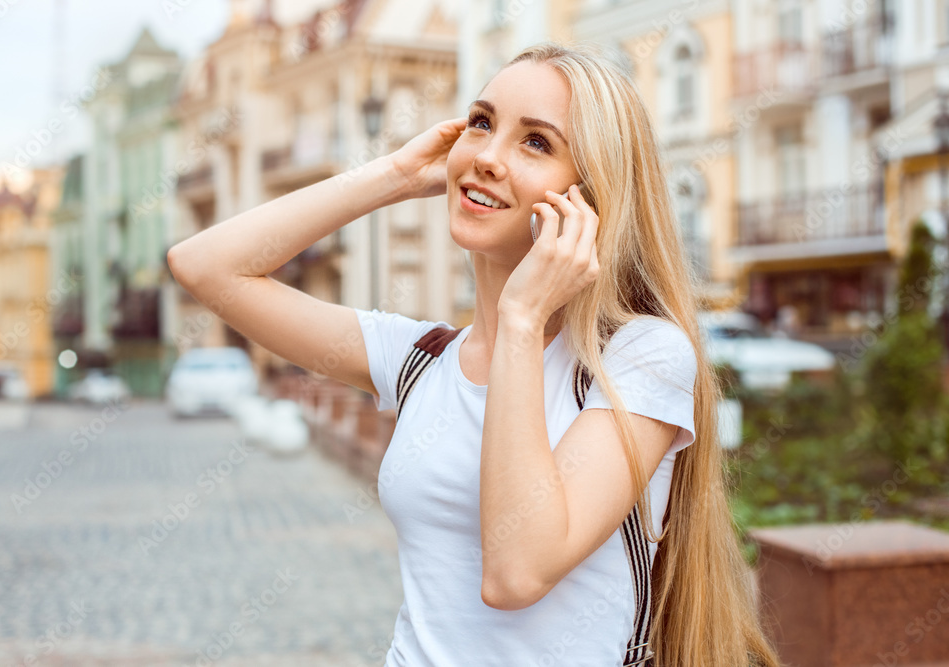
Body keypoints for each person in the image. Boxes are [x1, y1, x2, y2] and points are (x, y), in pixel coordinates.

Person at [169, 40, 780, 667]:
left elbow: (516, 574)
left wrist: (521, 319)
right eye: (482, 124)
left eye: (536, 142)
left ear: (592, 199)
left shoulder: (641, 357)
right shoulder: (419, 359)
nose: (487, 156)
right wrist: (395, 177)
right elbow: (207, 267)